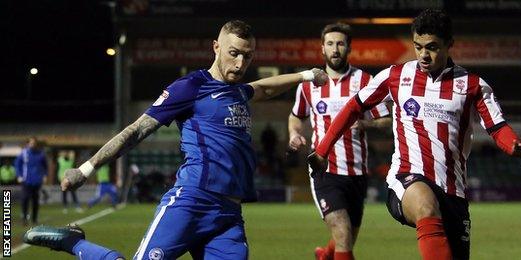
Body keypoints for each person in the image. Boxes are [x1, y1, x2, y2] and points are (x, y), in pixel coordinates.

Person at [24, 20, 328, 260]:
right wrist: (85, 169)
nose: (240, 62)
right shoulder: (192, 86)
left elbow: (264, 87)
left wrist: (305, 75)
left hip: (229, 214)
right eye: (233, 52)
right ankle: (75, 243)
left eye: (247, 56)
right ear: (216, 47)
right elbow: (136, 130)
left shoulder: (239, 91)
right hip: (192, 200)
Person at [307, 10, 521, 260]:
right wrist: (322, 151)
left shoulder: (472, 86)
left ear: (450, 44)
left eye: (432, 47)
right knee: (426, 206)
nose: (423, 55)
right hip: (407, 179)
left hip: (452, 191)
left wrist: (513, 144)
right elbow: (353, 107)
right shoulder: (396, 76)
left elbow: (497, 126)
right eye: (418, 47)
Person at [288, 22, 391, 260]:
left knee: (346, 237)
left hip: (357, 172)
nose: (335, 49)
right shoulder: (308, 85)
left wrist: (367, 124)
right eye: (330, 44)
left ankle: (325, 256)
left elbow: (386, 121)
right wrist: (294, 134)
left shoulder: (365, 81)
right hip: (325, 170)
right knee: (342, 233)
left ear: (349, 48)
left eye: (341, 44)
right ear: (322, 48)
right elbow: (296, 116)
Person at [15, 137, 48, 226]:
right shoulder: (24, 153)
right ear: (28, 144)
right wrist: (19, 175)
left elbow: (45, 166)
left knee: (35, 201)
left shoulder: (41, 154)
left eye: (34, 143)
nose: (32, 145)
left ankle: (34, 219)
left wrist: (45, 175)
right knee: (25, 199)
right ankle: (24, 218)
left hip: (37, 181)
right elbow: (17, 164)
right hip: (26, 181)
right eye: (31, 143)